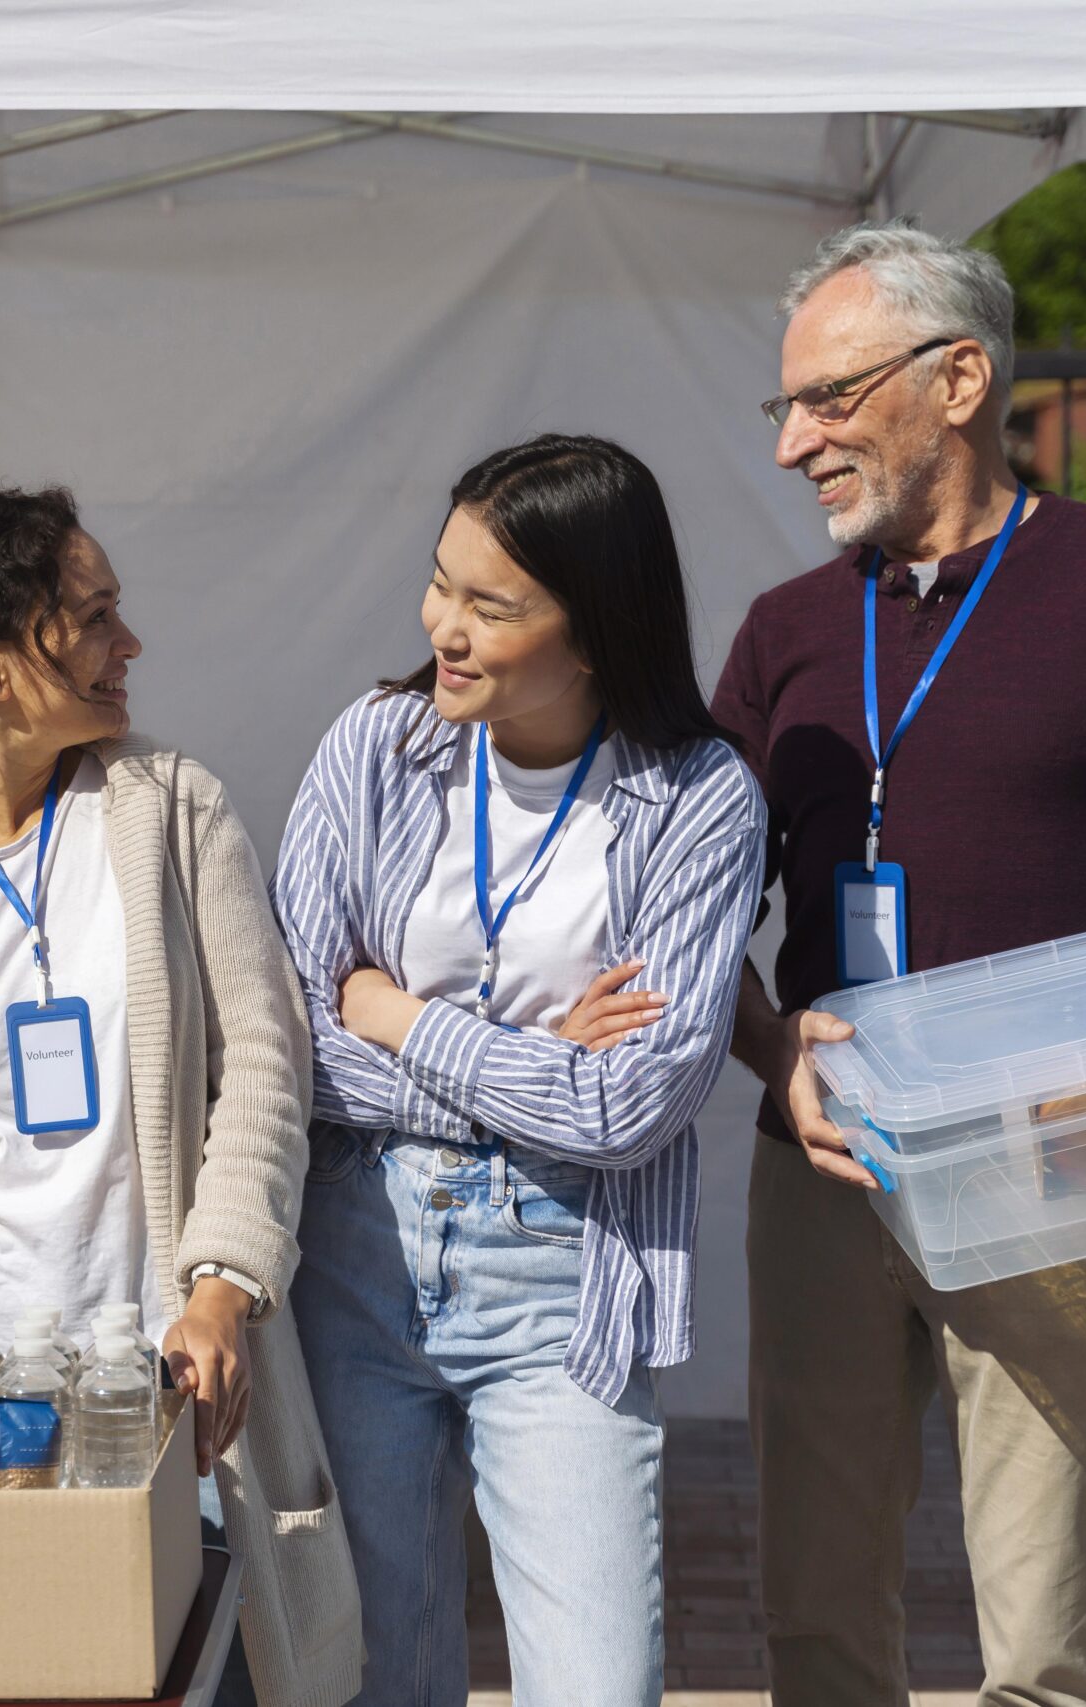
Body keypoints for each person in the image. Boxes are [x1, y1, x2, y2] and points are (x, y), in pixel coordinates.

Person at [715, 220, 1086, 1707]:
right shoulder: (784, 636)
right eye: (789, 409)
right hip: (823, 1168)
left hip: (1058, 1166)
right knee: (817, 1616)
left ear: (958, 378)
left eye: (826, 399)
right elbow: (688, 917)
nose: (796, 445)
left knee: (1049, 1638)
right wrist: (778, 1059)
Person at [0, 485, 360, 1707]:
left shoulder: (170, 810)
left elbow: (265, 1063)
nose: (128, 644)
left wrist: (222, 1289)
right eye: (91, 619)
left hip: (172, 1404)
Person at [274, 434, 764, 1707]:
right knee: (379, 1668)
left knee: (596, 1683)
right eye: (441, 582)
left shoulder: (698, 799)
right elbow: (293, 1044)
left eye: (492, 606)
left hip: (564, 1267)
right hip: (356, 1239)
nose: (444, 625)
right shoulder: (375, 748)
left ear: (596, 631)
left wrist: (399, 1016)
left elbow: (633, 1106)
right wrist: (530, 1057)